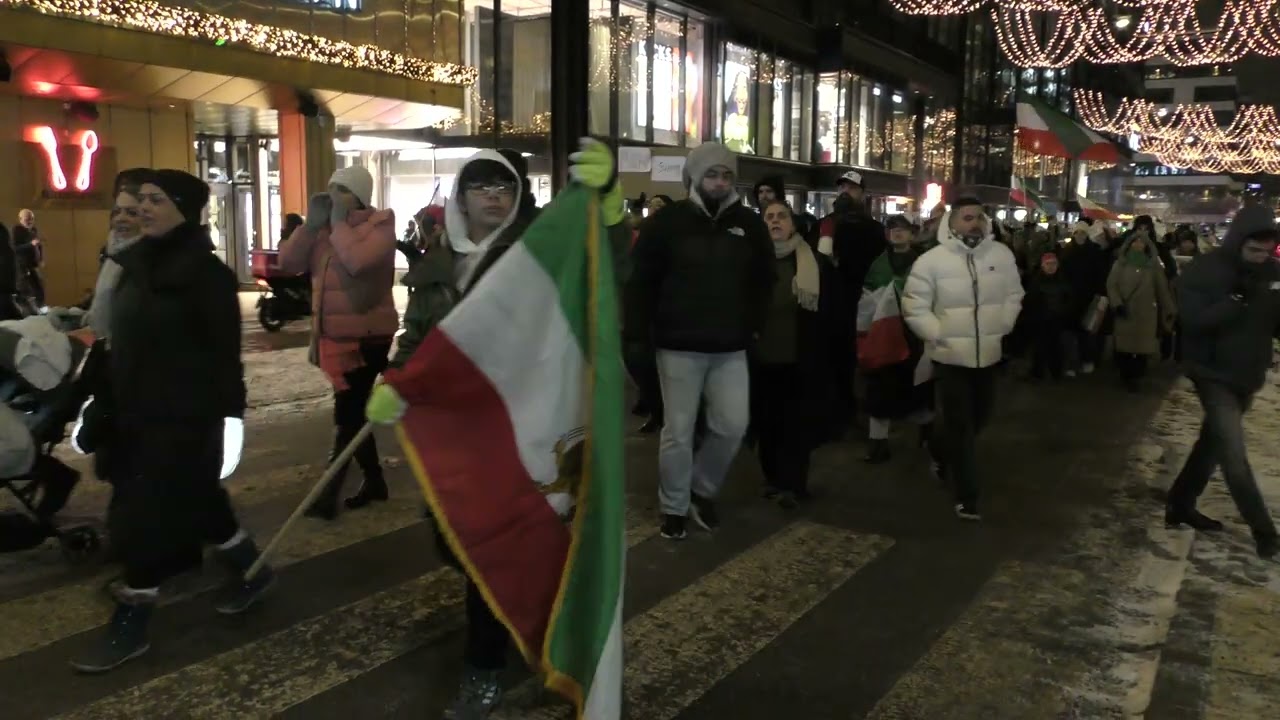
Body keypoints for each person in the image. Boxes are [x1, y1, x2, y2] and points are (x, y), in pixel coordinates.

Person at [365, 139, 630, 719]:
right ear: (459, 197)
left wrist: (609, 206)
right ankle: (521, 613)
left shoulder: (540, 250)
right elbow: (419, 336)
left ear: (519, 196)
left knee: (492, 543)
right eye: (481, 186)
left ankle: (484, 671)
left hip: (521, 425)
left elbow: (609, 270)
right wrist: (396, 379)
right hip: (459, 430)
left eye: (504, 185)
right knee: (454, 538)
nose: (493, 195)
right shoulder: (437, 259)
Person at [69, 169, 267, 674]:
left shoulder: (207, 276)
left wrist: (231, 420)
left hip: (185, 418)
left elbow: (225, 358)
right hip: (135, 413)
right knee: (200, 503)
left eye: (157, 200)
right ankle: (253, 569)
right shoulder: (134, 265)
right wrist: (100, 403)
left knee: (146, 519)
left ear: (185, 208)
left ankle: (132, 617)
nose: (144, 207)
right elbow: (118, 346)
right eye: (142, 199)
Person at [625, 142, 773, 540]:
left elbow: (764, 280)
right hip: (677, 345)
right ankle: (674, 505)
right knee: (679, 430)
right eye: (712, 174)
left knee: (732, 425)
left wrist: (753, 324)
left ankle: (700, 489)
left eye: (726, 175)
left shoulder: (749, 224)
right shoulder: (667, 223)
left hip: (730, 347)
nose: (720, 182)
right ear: (694, 177)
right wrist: (639, 333)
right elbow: (641, 282)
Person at [278, 165, 399, 520]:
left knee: (347, 413)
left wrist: (339, 223)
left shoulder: (380, 225)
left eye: (342, 189)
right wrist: (310, 227)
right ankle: (374, 481)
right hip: (332, 335)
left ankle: (328, 492)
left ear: (360, 195)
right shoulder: (324, 230)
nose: (333, 195)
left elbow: (358, 262)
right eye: (330, 187)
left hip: (367, 338)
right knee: (355, 412)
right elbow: (287, 263)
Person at [1166, 204, 1280, 558]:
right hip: (1212, 373)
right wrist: (1236, 300)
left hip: (1248, 373)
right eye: (1253, 251)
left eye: (1266, 251)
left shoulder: (1272, 273)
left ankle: (1180, 504)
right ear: (1238, 243)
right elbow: (1194, 321)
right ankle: (1265, 533)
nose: (1260, 258)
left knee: (1211, 445)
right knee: (1233, 455)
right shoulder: (1206, 269)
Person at [902, 196, 1024, 521]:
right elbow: (914, 304)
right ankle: (967, 495)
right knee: (960, 426)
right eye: (968, 217)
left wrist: (1004, 324)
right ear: (952, 223)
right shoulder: (932, 261)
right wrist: (938, 333)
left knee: (980, 417)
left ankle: (937, 450)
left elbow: (1014, 294)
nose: (975, 223)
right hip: (950, 357)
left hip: (988, 356)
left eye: (980, 217)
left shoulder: (1001, 255)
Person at [751, 200, 844, 506]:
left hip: (801, 359)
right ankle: (773, 478)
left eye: (782, 217)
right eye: (769, 217)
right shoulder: (753, 261)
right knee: (767, 424)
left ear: (793, 223)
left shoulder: (813, 262)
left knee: (796, 425)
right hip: (762, 360)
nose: (775, 222)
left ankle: (793, 483)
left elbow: (832, 315)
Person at [861, 215, 933, 464]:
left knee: (919, 387)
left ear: (912, 235)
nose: (897, 233)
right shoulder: (878, 265)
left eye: (902, 229)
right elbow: (867, 294)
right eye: (892, 229)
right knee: (880, 389)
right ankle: (877, 444)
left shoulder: (924, 263)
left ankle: (928, 435)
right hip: (885, 337)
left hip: (914, 336)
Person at [1107, 227, 1175, 392]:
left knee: (1142, 348)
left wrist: (1169, 309)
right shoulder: (1120, 264)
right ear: (1129, 244)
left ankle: (1136, 377)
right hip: (1125, 309)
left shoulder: (1153, 266)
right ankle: (1126, 374)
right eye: (1135, 242)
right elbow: (1111, 285)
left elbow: (1161, 289)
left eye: (1142, 242)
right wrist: (1116, 303)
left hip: (1146, 313)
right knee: (1125, 347)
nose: (1138, 245)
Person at [1025, 252, 1077, 380]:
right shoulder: (1036, 281)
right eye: (1048, 264)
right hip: (1041, 320)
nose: (1051, 267)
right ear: (1043, 266)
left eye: (1053, 264)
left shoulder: (1063, 280)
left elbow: (1069, 299)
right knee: (1039, 348)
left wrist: (1064, 312)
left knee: (1057, 348)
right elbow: (1030, 301)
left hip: (1058, 320)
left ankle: (1056, 372)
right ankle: (1038, 373)